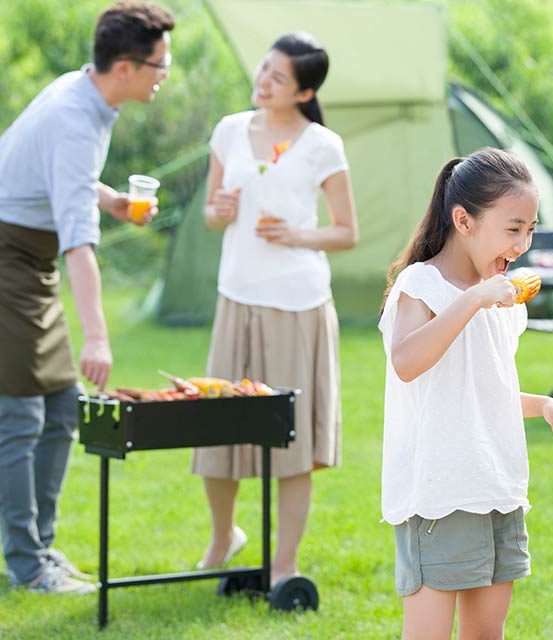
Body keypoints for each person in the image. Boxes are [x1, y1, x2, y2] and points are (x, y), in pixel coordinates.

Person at [0, 2, 176, 595]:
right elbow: (79, 248)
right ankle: (27, 565)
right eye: (159, 65)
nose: (163, 75)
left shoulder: (88, 95)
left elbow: (60, 178)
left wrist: (111, 199)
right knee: (18, 413)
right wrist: (97, 335)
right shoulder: (76, 117)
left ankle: (40, 549)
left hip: (23, 260)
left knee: (62, 408)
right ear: (125, 66)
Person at [378, 147, 553, 639]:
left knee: (487, 633)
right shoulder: (421, 285)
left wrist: (541, 405)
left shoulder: (506, 301)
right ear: (464, 220)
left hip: (497, 485)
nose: (522, 245)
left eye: (530, 230)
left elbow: (480, 390)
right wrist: (472, 300)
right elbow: (406, 362)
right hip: (440, 494)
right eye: (513, 229)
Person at [193, 31, 358, 585]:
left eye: (278, 77)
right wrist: (217, 210)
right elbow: (214, 218)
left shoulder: (322, 145)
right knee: (217, 427)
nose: (264, 81)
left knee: (289, 443)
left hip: (297, 304)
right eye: (264, 69)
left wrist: (296, 234)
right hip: (235, 297)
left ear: (304, 90)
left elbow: (347, 232)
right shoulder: (230, 130)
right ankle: (224, 537)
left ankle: (284, 565)